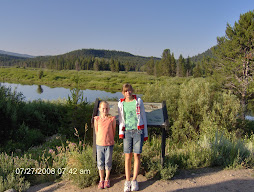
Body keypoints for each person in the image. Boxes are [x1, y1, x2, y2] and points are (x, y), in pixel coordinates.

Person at [118, 83, 148, 192]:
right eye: (126, 91)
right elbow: (121, 119)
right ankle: (127, 180)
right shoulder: (121, 103)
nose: (128, 92)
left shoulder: (138, 101)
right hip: (127, 132)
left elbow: (143, 117)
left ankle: (134, 180)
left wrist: (145, 133)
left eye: (129, 90)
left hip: (138, 131)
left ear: (132, 91)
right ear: (123, 93)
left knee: (137, 155)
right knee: (127, 156)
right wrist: (120, 132)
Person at [94, 101, 116, 189]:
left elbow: (113, 131)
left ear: (109, 109)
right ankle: (101, 179)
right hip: (99, 144)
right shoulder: (97, 119)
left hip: (109, 144)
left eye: (106, 108)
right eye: (103, 108)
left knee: (108, 162)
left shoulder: (112, 119)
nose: (105, 110)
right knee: (100, 162)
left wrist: (109, 139)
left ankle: (107, 179)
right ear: (99, 109)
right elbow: (96, 131)